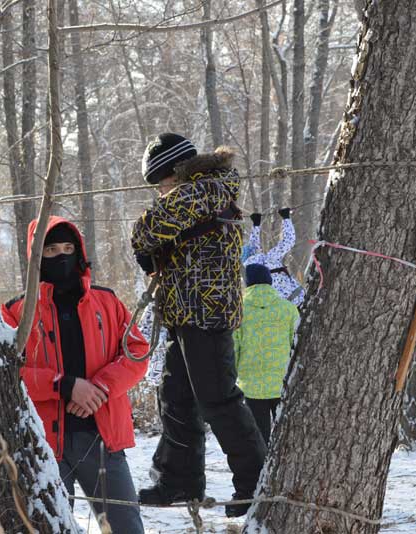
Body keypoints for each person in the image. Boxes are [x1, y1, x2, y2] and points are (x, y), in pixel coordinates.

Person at [131, 133, 267, 518]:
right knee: (176, 399)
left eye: (161, 183)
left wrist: (146, 242)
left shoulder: (206, 188)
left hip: (205, 314)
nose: (160, 192)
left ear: (177, 172)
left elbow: (145, 230)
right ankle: (179, 480)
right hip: (184, 313)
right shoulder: (197, 193)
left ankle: (254, 481)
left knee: (218, 400)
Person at [1, 217, 149, 534]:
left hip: (101, 438)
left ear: (79, 250)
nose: (62, 256)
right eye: (51, 249)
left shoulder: (107, 302)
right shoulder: (16, 312)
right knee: (47, 529)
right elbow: (3, 374)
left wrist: (99, 389)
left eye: (69, 247)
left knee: (127, 529)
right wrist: (64, 386)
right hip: (41, 443)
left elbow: (137, 353)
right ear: (36, 256)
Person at [233, 264, 299, 445]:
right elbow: (296, 344)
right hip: (282, 382)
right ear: (270, 281)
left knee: (258, 438)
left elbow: (233, 348)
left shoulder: (239, 311)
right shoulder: (288, 309)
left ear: (247, 283)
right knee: (285, 437)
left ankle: (261, 470)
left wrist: (232, 377)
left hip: (250, 385)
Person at [243, 208, 306, 305]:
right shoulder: (269, 259)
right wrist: (286, 218)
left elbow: (253, 247)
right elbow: (288, 241)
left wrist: (256, 225)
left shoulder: (248, 274)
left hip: (280, 309)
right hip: (298, 298)